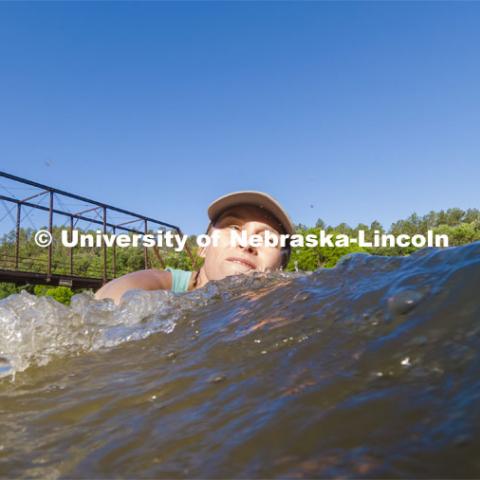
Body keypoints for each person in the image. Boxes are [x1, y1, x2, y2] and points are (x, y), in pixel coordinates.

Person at [95, 191, 294, 304]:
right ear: (203, 247)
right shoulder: (160, 284)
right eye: (233, 227)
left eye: (268, 239)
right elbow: (110, 300)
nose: (247, 243)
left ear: (281, 269)